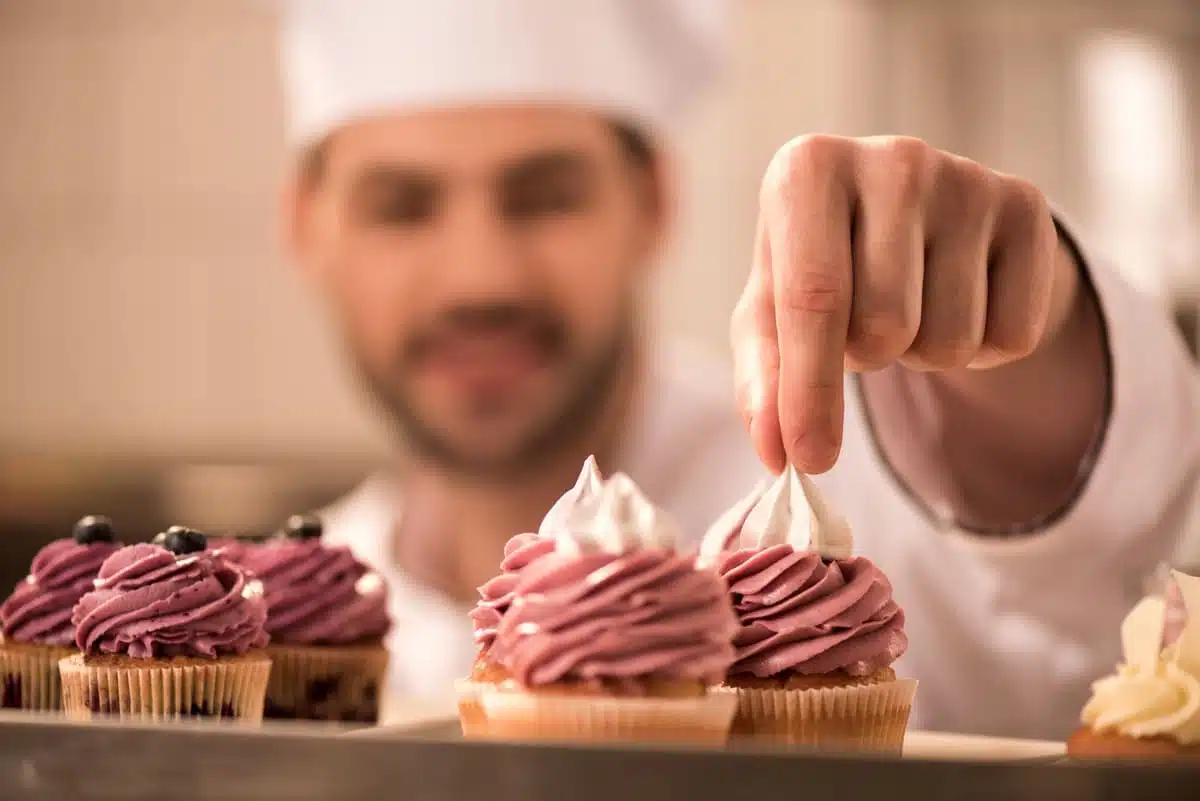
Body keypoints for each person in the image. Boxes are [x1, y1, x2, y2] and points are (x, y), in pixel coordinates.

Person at [277, 0, 1199, 739]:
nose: (480, 275)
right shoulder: (285, 619)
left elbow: (1090, 568)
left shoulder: (827, 514)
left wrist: (1033, 314)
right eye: (402, 207)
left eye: (546, 195)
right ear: (306, 226)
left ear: (653, 201)